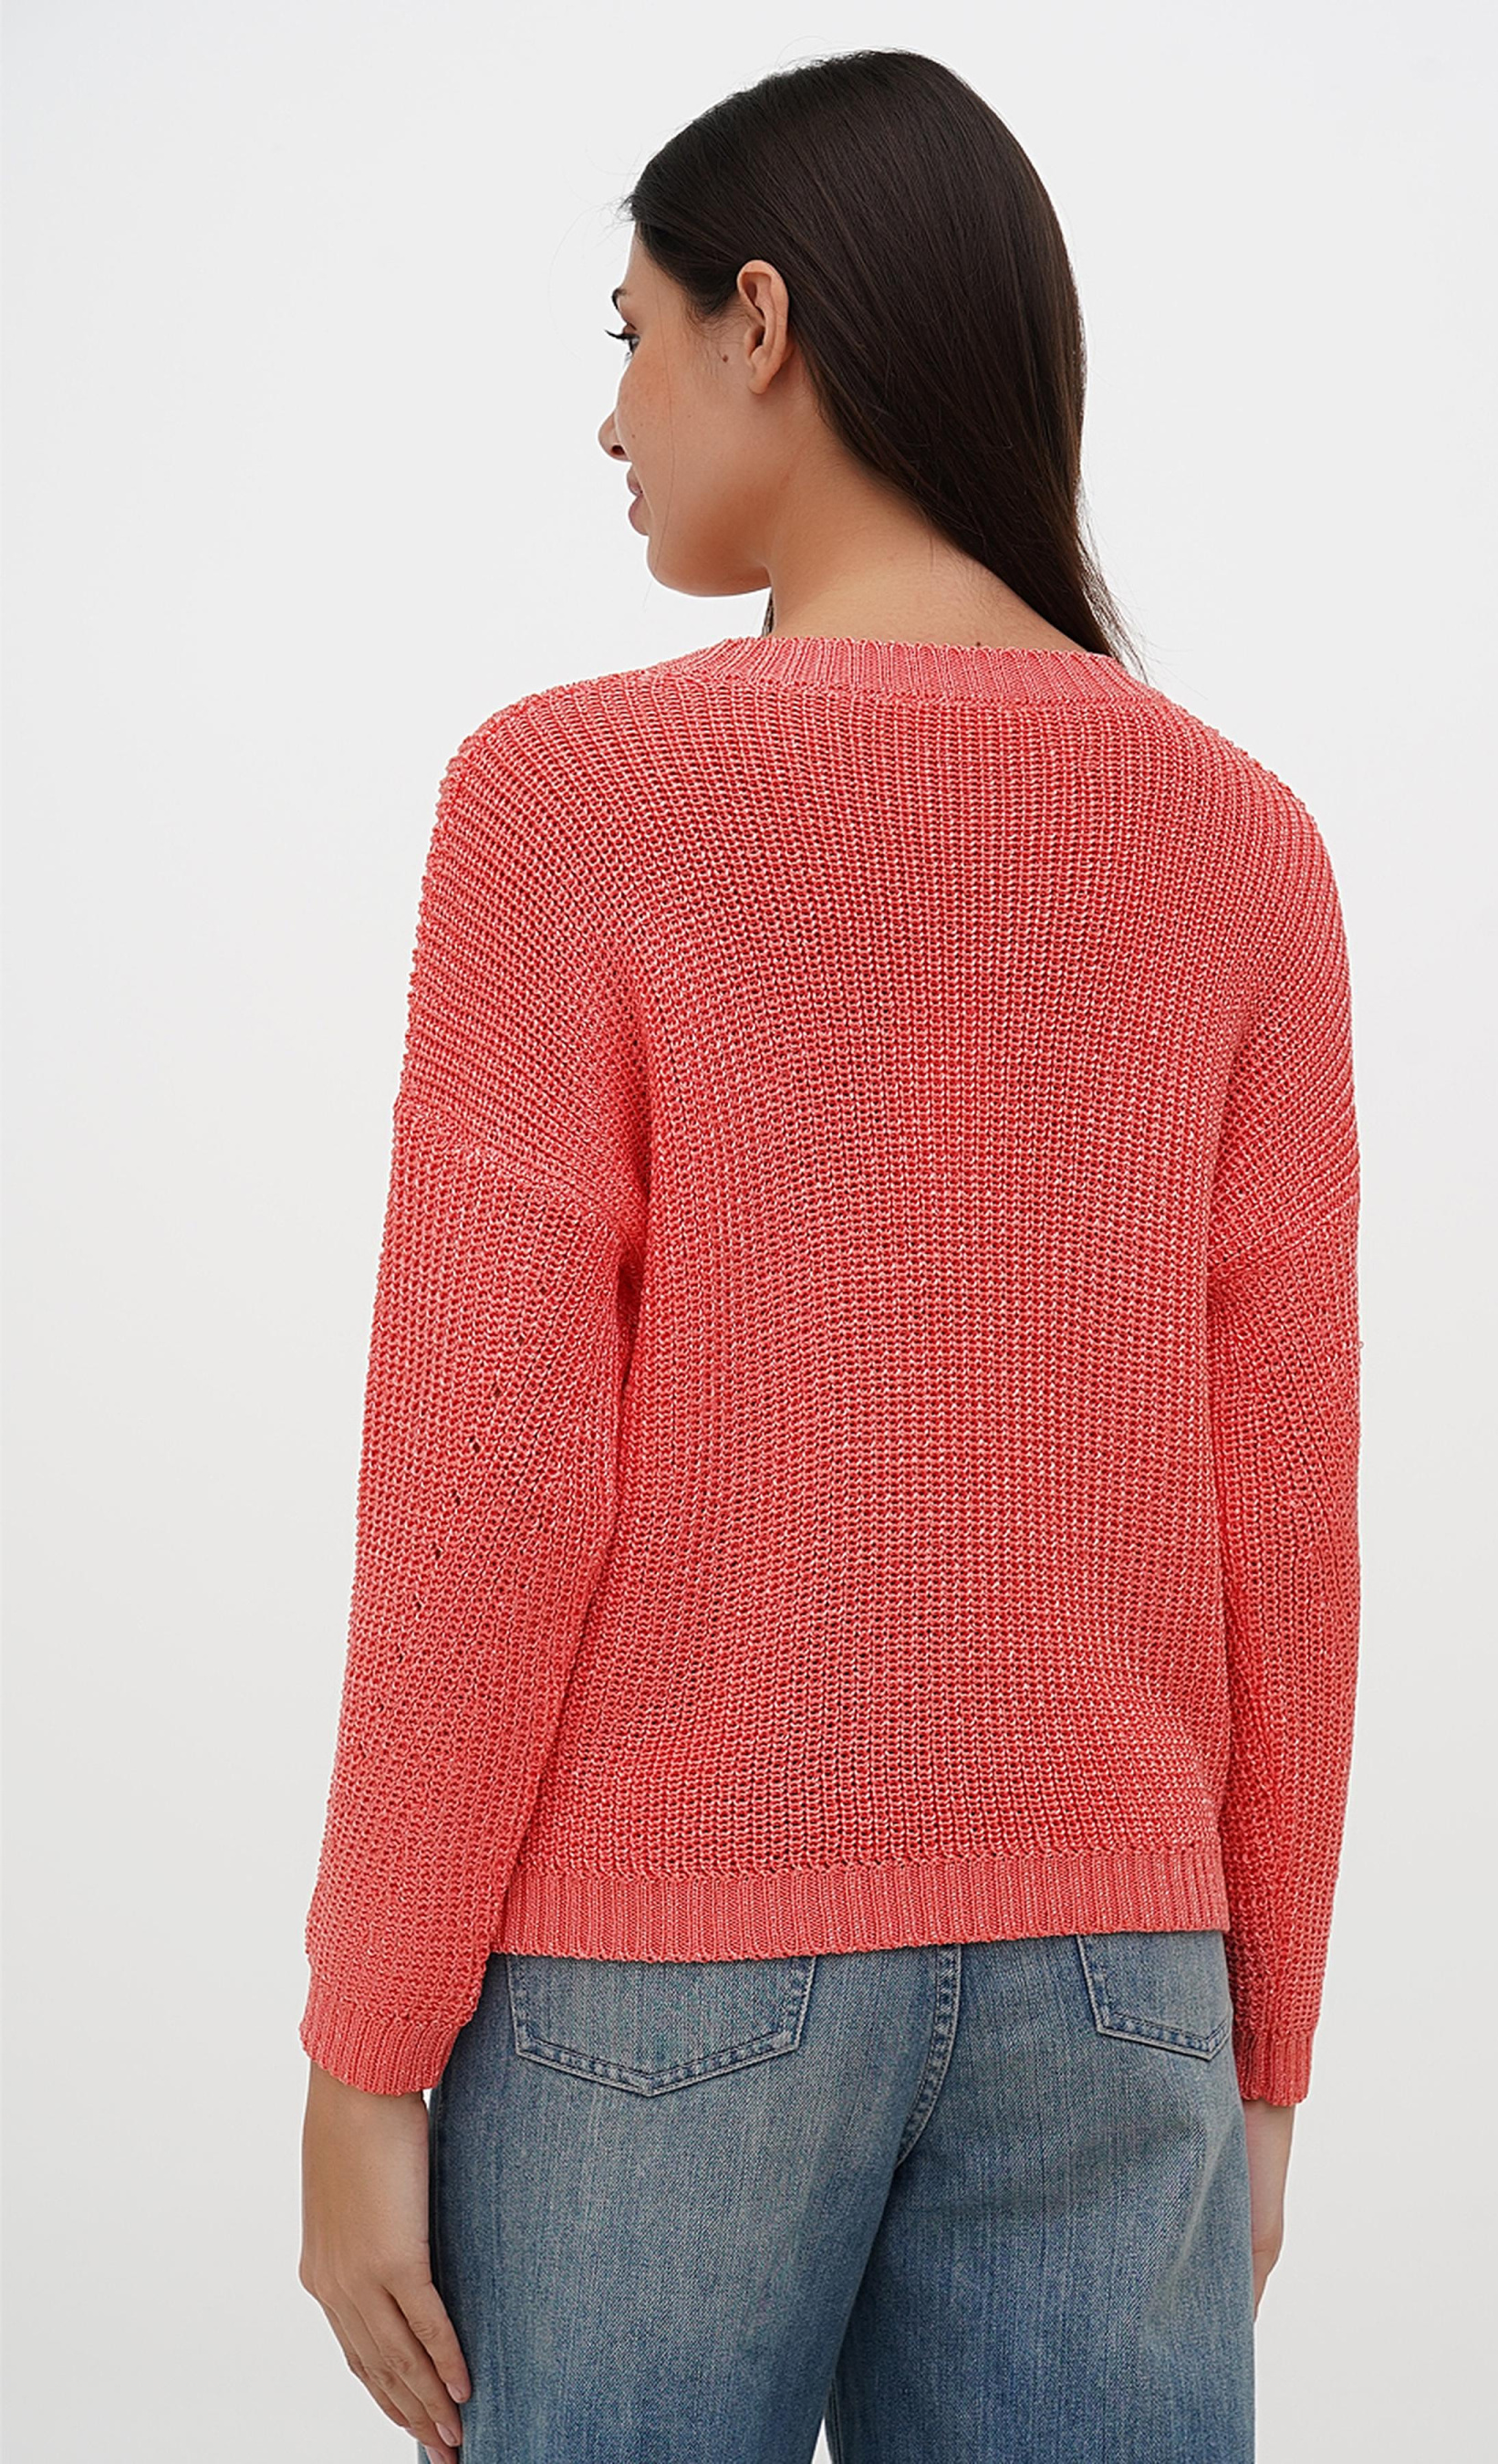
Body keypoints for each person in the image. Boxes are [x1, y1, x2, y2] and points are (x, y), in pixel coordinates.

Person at [296, 47, 1361, 2464]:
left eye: (629, 334)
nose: (610, 420)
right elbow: (1284, 1524)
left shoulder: (567, 800)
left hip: (657, 1972)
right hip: (1121, 1981)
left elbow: (488, 1475)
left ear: (759, 320)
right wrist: (1259, 2048)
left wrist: (365, 2047)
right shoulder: (1243, 843)